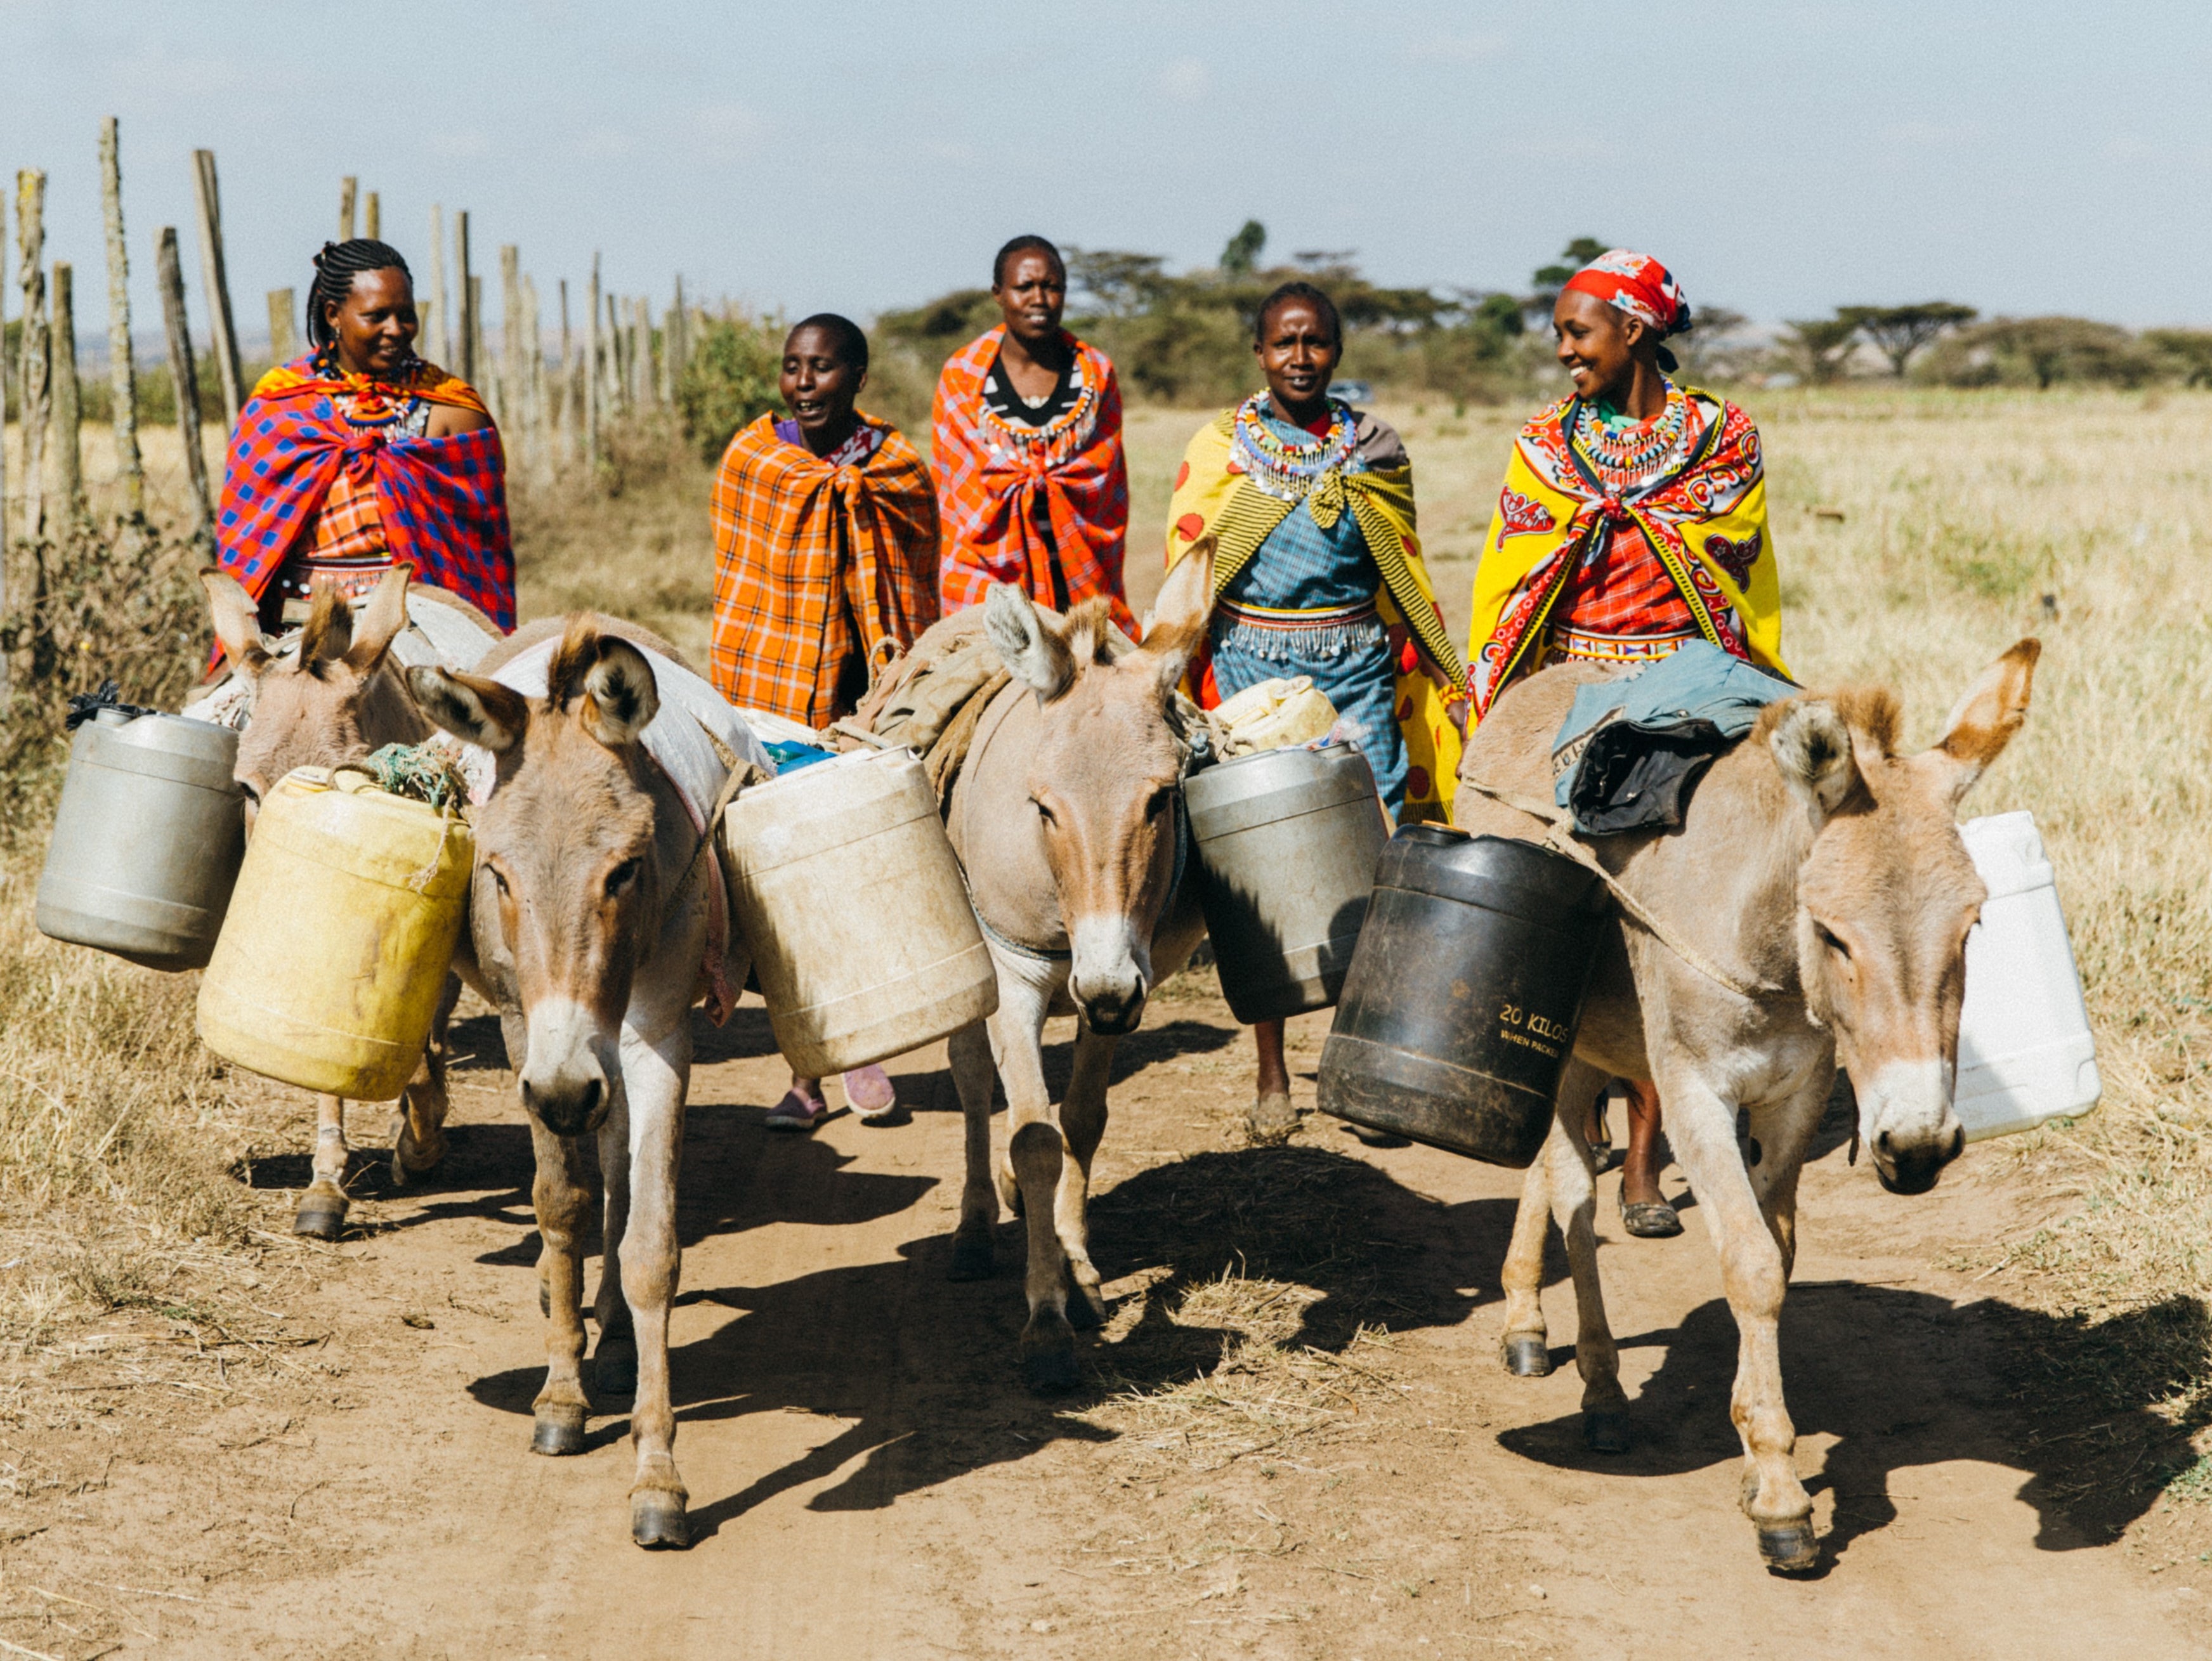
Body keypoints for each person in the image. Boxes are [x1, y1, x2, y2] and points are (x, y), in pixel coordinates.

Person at [1464, 248, 1784, 1237]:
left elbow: (1727, 547)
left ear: (1633, 331)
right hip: (1569, 691)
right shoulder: (1542, 446)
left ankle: (1646, 1157)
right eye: (1560, 334)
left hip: (1688, 689)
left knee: (1682, 903)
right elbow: (1516, 558)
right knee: (1551, 897)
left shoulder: (1722, 438)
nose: (1562, 350)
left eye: (1577, 332)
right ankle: (1551, 1103)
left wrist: (1636, 520)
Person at [1165, 281, 1467, 1141]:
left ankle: (1358, 1054)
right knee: (1260, 870)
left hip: (1357, 669)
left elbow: (1401, 568)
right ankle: (1269, 1073)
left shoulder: (1373, 446)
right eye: (1282, 343)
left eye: (1316, 343)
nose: (1299, 358)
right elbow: (1192, 562)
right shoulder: (1220, 447)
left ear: (1337, 351)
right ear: (1258, 352)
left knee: (1371, 863)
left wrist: (1442, 671)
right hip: (1248, 667)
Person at [709, 314, 940, 1133]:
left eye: (823, 369)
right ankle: (808, 1072)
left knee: (865, 861)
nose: (804, 384)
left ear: (858, 377)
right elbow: (743, 586)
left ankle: (866, 1039)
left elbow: (914, 584)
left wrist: (893, 689)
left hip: (864, 695)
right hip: (772, 691)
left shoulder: (897, 468)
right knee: (785, 874)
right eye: (792, 368)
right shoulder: (754, 460)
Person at [213, 239, 512, 637]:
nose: (396, 330)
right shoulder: (279, 410)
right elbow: (249, 548)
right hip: (299, 627)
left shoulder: (451, 409)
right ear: (334, 314)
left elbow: (479, 556)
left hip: (421, 628)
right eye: (377, 316)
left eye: (406, 315)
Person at [933, 235, 1134, 636]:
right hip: (987, 578)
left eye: (1052, 286)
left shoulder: (1095, 372)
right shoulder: (963, 377)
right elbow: (957, 500)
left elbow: (1106, 485)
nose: (1039, 298)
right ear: (999, 294)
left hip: (1079, 572)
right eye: (1024, 287)